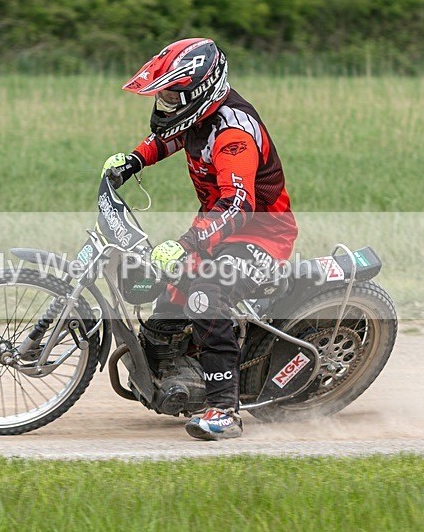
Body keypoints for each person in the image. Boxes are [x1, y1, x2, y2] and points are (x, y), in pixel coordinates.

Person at [102, 38, 298, 440]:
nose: (165, 105)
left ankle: (224, 409)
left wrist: (188, 243)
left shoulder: (233, 136)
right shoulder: (199, 116)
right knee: (168, 297)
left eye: (172, 97)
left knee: (206, 294)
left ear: (200, 92)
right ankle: (178, 368)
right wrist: (136, 159)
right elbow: (173, 135)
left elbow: (238, 204)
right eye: (164, 97)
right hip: (219, 227)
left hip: (260, 234)